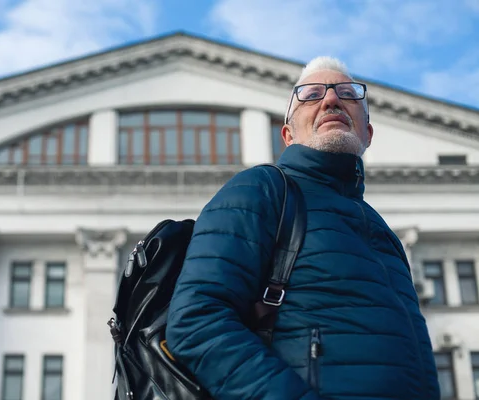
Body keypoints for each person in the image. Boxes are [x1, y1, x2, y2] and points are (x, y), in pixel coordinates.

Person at [165, 56, 440, 400]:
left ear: (367, 132)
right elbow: (196, 321)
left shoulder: (382, 232)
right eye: (311, 94)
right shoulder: (262, 190)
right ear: (288, 135)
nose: (331, 99)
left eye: (348, 94)